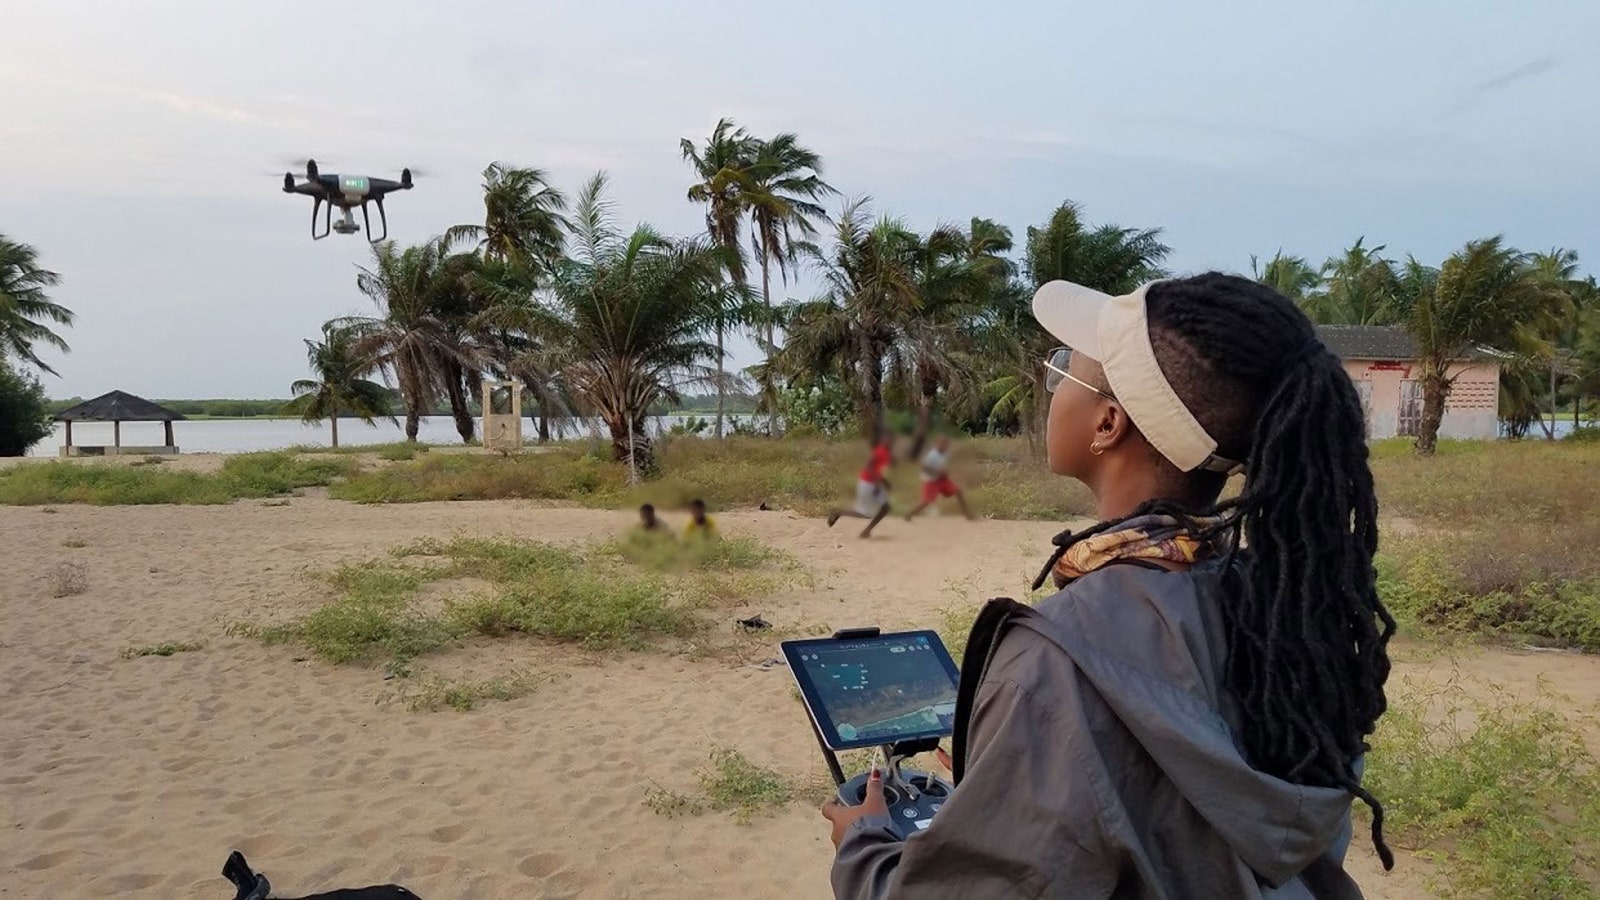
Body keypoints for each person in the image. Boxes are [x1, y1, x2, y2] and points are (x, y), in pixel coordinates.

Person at [822, 273, 1395, 897]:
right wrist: (1022, 766)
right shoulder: (1285, 612)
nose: (1053, 381)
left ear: (1107, 423)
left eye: (1065, 367)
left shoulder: (1060, 659)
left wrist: (864, 843)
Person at [827, 433, 893, 538]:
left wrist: (884, 482)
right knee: (865, 513)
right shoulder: (880, 451)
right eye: (887, 438)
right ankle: (839, 512)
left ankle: (866, 531)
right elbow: (869, 466)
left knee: (885, 508)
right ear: (882, 439)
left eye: (891, 438)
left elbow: (878, 470)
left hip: (874, 483)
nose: (890, 441)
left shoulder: (886, 452)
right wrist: (878, 483)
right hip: (868, 483)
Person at [903, 434, 973, 521]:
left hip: (942, 480)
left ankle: (967, 514)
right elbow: (924, 467)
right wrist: (937, 472)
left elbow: (942, 466)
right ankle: (909, 515)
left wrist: (944, 472)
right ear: (937, 444)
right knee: (926, 502)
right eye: (942, 444)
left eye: (945, 444)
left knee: (958, 491)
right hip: (931, 480)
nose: (944, 446)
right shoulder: (933, 455)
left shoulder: (945, 454)